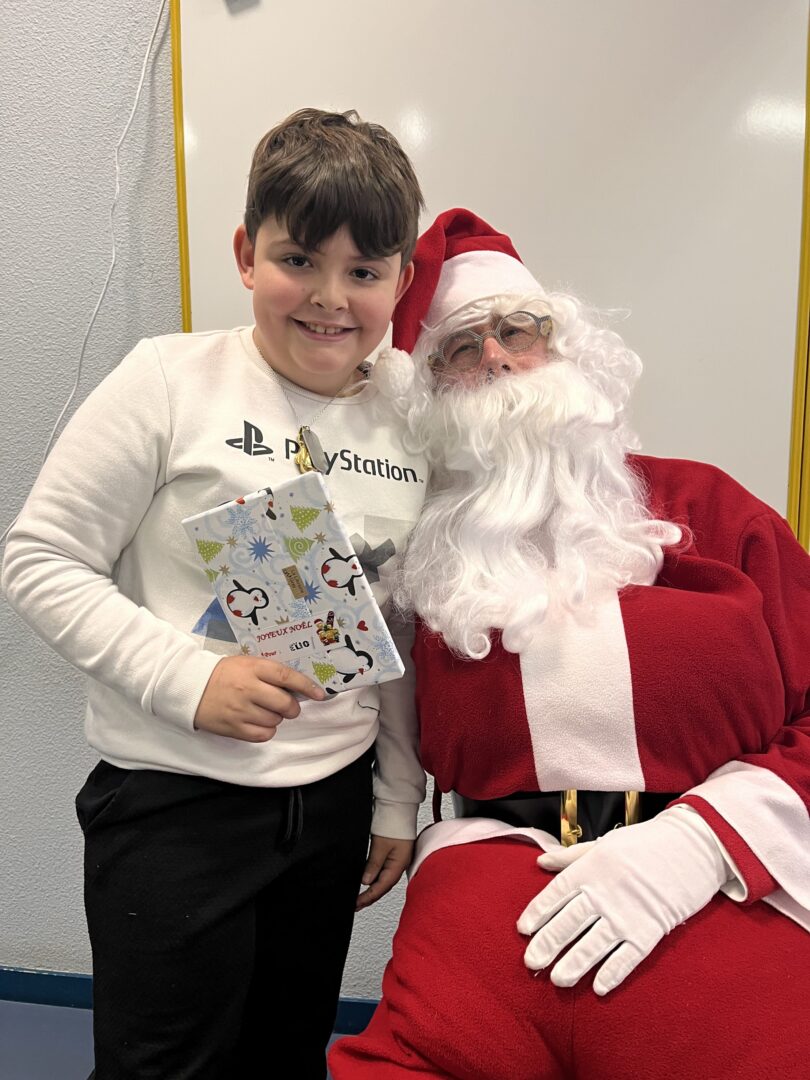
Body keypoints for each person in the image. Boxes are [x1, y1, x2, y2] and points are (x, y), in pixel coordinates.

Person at [328, 208, 810, 1079]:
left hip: (718, 885)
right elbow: (353, 691)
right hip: (482, 902)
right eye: (460, 348)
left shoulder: (713, 509)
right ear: (430, 398)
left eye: (519, 330)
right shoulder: (412, 550)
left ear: (567, 349)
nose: (497, 358)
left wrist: (706, 842)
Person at [1, 108, 428, 1080]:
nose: (330, 298)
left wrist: (396, 798)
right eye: (298, 260)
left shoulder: (411, 414)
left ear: (401, 280)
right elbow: (39, 557)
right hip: (173, 807)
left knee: (284, 1059)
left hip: (329, 809)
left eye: (364, 271)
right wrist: (190, 680)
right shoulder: (169, 379)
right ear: (245, 254)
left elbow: (401, 624)